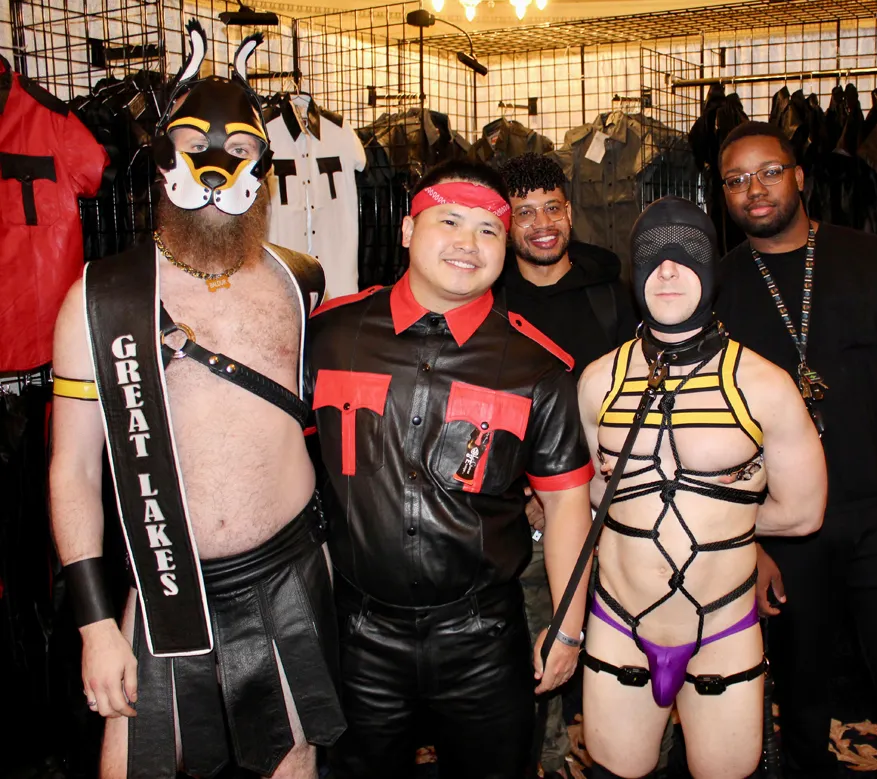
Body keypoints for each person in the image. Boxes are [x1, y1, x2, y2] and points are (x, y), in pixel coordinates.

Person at [48, 24, 344, 779]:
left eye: (241, 149)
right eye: (194, 144)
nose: (217, 166)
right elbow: (73, 469)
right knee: (135, 764)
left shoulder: (298, 281)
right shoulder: (100, 298)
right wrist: (94, 624)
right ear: (161, 159)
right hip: (166, 585)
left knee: (292, 763)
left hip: (290, 575)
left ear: (264, 169)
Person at [308, 159, 595, 779]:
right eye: (450, 221)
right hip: (357, 636)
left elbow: (569, 502)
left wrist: (568, 628)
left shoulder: (537, 367)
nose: (469, 242)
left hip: (483, 642)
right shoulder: (326, 336)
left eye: (489, 230)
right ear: (408, 231)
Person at [714, 121, 877, 779]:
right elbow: (713, 431)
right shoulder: (715, 289)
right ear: (724, 194)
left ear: (799, 176)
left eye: (769, 171)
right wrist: (748, 543)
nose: (754, 189)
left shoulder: (874, 259)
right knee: (799, 687)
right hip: (783, 524)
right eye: (736, 180)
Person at [576, 195, 828, 779]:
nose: (668, 270)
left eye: (687, 253)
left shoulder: (764, 385)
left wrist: (720, 514)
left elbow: (805, 512)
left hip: (723, 629)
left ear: (711, 266)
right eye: (651, 255)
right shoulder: (597, 382)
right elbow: (586, 497)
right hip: (618, 625)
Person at [497, 152, 640, 778]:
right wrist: (532, 491)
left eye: (552, 208)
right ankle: (547, 758)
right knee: (537, 649)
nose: (542, 224)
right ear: (506, 223)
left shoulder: (609, 292)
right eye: (525, 213)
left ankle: (630, 757)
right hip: (530, 515)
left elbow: (635, 395)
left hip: (615, 504)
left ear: (571, 212)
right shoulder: (491, 299)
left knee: (625, 645)